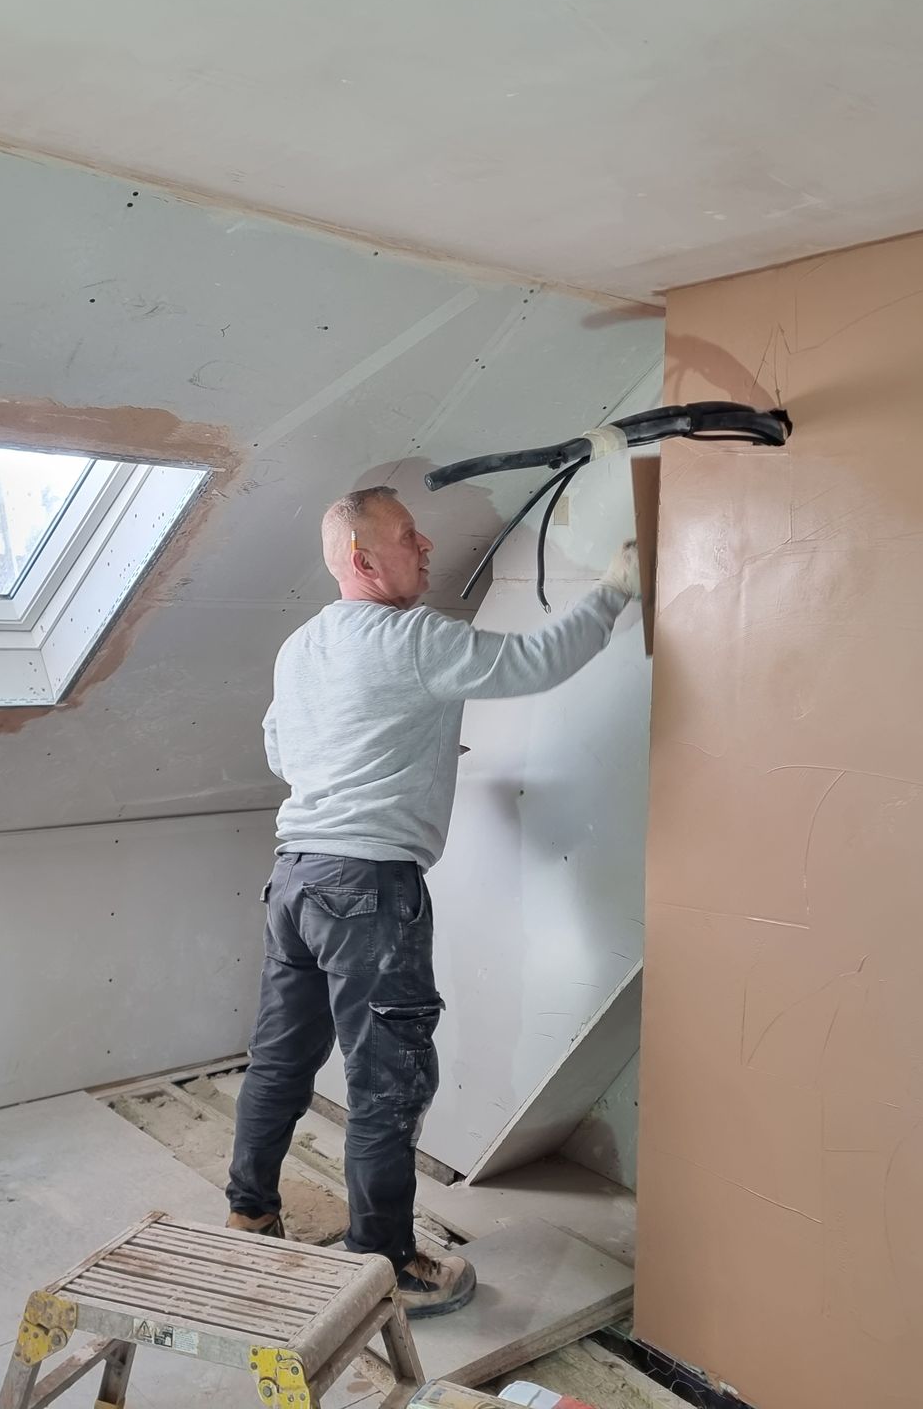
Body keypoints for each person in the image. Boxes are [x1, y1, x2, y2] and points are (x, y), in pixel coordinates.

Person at [225, 484, 640, 1317]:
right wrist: (615, 591)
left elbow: (282, 749)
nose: (426, 548)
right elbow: (533, 663)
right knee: (389, 1081)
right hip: (367, 891)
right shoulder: (411, 637)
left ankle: (250, 1210)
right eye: (408, 536)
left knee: (281, 1058)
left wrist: (384, 748)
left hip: (297, 877)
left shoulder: (302, 645)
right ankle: (384, 1257)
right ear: (361, 558)